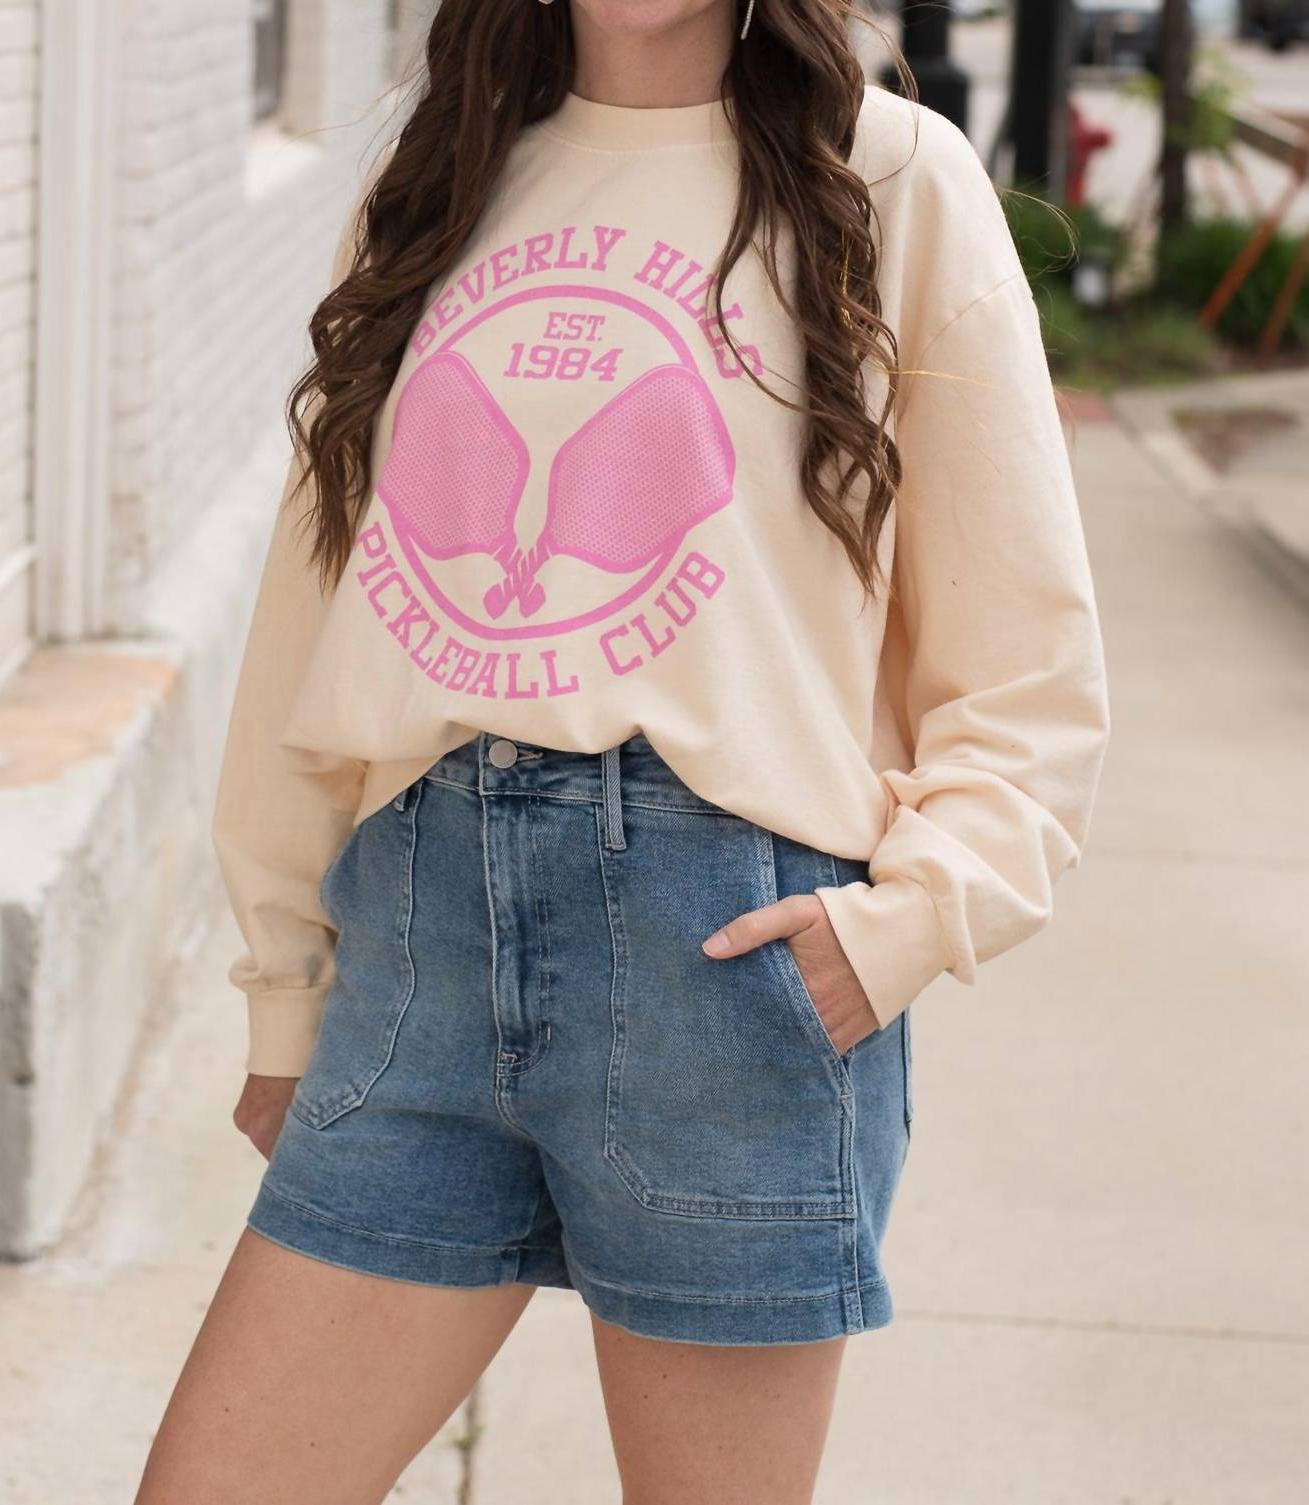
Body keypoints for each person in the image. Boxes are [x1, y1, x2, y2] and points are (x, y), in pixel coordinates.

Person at [136, 1, 1110, 1500]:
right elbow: (313, 609)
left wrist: (905, 927)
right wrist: (284, 985)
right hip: (422, 955)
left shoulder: (888, 180)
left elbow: (1026, 661)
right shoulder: (439, 177)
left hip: (724, 972)